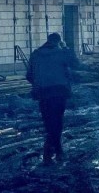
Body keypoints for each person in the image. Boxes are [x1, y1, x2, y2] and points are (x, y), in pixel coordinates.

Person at [26, 32, 75, 163]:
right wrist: (66, 48)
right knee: (57, 120)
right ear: (58, 41)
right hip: (59, 91)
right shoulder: (62, 53)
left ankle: (50, 151)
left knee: (48, 121)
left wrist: (39, 83)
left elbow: (29, 75)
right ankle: (55, 150)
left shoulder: (35, 54)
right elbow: (75, 63)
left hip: (42, 93)